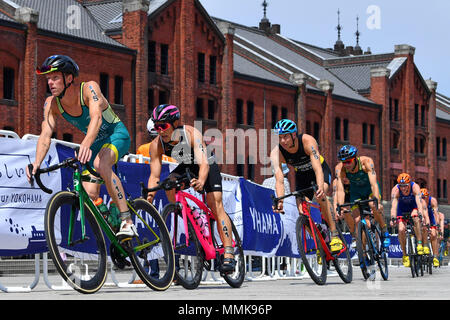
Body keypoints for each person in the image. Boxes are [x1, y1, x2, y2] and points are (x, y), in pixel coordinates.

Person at [26, 55, 135, 238]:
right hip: (95, 143)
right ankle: (113, 221)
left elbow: (96, 118)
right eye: (48, 79)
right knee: (88, 194)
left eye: (55, 78)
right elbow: (46, 134)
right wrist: (36, 163)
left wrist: (85, 143)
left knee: (102, 163)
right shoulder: (51, 103)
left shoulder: (89, 88)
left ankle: (127, 221)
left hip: (116, 134)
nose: (50, 83)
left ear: (69, 78)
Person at [145, 104, 236, 273]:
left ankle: (229, 252)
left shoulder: (191, 134)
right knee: (168, 184)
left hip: (206, 165)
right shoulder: (156, 145)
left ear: (174, 123)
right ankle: (184, 215)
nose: (160, 131)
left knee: (215, 204)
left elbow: (203, 163)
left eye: (163, 126)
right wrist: (149, 197)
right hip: (186, 166)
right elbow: (154, 176)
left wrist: (201, 181)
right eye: (157, 127)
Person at [270, 119, 343, 252]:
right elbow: (279, 180)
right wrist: (280, 200)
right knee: (302, 211)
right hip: (302, 176)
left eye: (285, 136)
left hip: (319, 171)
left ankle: (334, 234)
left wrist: (320, 186)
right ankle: (320, 243)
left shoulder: (307, 141)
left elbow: (317, 169)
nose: (283, 141)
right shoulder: (276, 153)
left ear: (293, 135)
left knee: (320, 195)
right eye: (279, 138)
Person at [334, 145, 390, 248]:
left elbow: (373, 184)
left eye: (348, 161)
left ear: (355, 158)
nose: (346, 165)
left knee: (373, 205)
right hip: (356, 192)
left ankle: (384, 230)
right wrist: (340, 206)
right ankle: (363, 253)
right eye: (343, 162)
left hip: (369, 190)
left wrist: (377, 200)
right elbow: (340, 190)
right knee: (357, 221)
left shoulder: (366, 162)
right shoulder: (340, 168)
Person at [389, 173, 425, 267]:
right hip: (401, 209)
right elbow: (393, 206)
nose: (403, 188)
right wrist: (392, 217)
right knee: (401, 229)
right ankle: (405, 255)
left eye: (405, 185)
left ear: (409, 184)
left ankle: (420, 244)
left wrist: (420, 214)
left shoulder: (415, 187)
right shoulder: (395, 190)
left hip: (413, 207)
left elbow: (419, 202)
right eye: (401, 186)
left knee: (416, 218)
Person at [420, 188, 440, 267]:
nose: (423, 199)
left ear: (428, 196)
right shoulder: (418, 202)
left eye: (424, 197)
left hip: (431, 217)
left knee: (433, 234)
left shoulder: (433, 201)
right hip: (422, 216)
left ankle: (435, 257)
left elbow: (436, 213)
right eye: (421, 198)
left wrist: (437, 224)